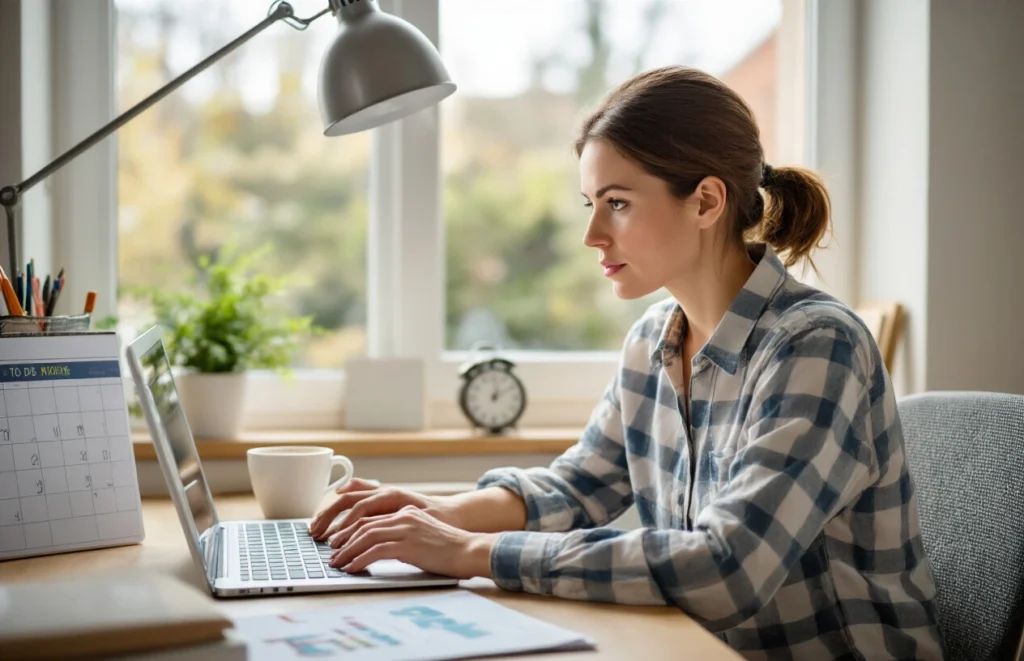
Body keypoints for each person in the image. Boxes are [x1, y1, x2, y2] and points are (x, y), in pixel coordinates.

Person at [310, 66, 944, 660]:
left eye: (617, 203)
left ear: (706, 202)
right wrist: (435, 512)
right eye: (590, 204)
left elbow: (727, 569)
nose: (592, 235)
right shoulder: (652, 341)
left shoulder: (817, 345)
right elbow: (580, 486)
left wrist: (474, 551)